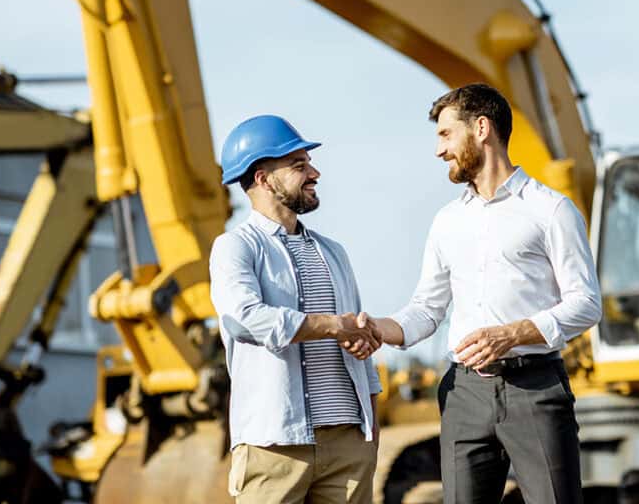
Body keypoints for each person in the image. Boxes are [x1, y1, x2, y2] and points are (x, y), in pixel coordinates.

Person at [368, 84, 603, 503]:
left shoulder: (551, 210)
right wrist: (379, 329)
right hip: (464, 394)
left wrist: (511, 334)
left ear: (481, 128)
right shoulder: (446, 221)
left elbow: (586, 303)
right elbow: (427, 307)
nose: (439, 151)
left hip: (535, 389)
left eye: (445, 135)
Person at [209, 114, 383, 503]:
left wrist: (370, 437)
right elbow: (244, 319)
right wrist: (332, 326)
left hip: (348, 444)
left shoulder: (333, 253)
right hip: (275, 445)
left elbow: (360, 346)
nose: (314, 173)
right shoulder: (236, 247)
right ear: (263, 178)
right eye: (299, 165)